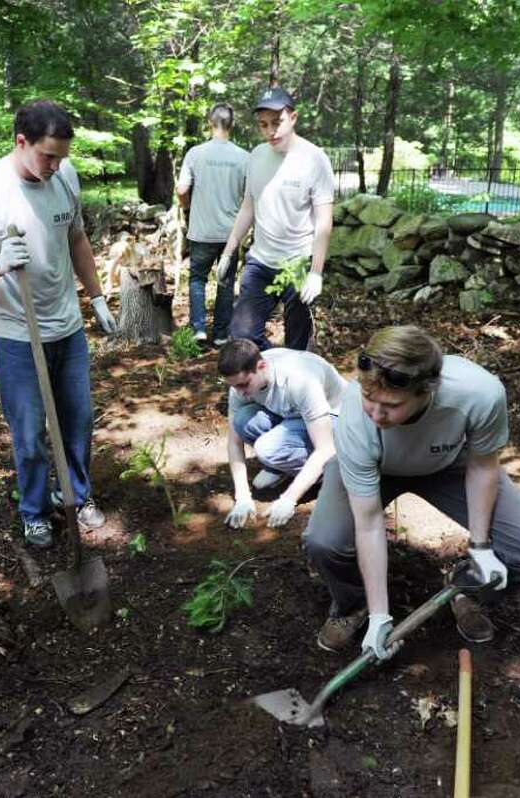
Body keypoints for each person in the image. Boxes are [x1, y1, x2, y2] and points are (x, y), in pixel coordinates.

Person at [302, 326, 520, 657]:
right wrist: (379, 615)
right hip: (377, 469)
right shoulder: (357, 420)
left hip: (448, 465)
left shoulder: (480, 393)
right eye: (369, 397)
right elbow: (369, 523)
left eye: (391, 405)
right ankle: (354, 605)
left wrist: (481, 547)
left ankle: (467, 589)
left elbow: (483, 466)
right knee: (324, 542)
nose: (376, 413)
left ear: (428, 390)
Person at [0, 99, 116, 548]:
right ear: (20, 142)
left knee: (78, 421)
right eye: (47, 155)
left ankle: (77, 496)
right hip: (16, 334)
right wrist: (0, 263)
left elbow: (77, 237)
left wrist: (97, 296)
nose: (56, 165)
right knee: (28, 435)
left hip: (67, 327)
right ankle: (35, 511)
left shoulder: (65, 176)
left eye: (61, 156)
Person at [217, 87, 334, 351]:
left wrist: (315, 272)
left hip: (297, 263)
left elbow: (324, 222)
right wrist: (228, 252)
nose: (271, 131)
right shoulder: (257, 156)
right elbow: (248, 206)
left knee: (298, 342)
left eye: (277, 122)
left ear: (293, 117)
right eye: (263, 125)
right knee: (242, 334)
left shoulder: (315, 159)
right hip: (261, 262)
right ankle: (277, 369)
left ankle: (296, 375)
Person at [218, 338, 347, 530]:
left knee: (267, 449)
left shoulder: (300, 381)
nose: (240, 393)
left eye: (244, 385)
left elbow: (326, 447)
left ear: (261, 366)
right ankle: (285, 465)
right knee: (242, 420)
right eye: (235, 386)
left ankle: (325, 474)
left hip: (337, 420)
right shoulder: (240, 385)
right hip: (294, 415)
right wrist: (242, 497)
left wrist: (289, 499)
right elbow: (234, 443)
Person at [176, 103, 249, 346]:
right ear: (233, 125)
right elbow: (250, 196)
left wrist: (187, 209)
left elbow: (182, 189)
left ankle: (198, 329)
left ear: (210, 122)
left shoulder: (195, 153)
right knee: (225, 284)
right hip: (230, 234)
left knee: (197, 279)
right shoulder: (243, 157)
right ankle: (220, 335)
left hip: (201, 231)